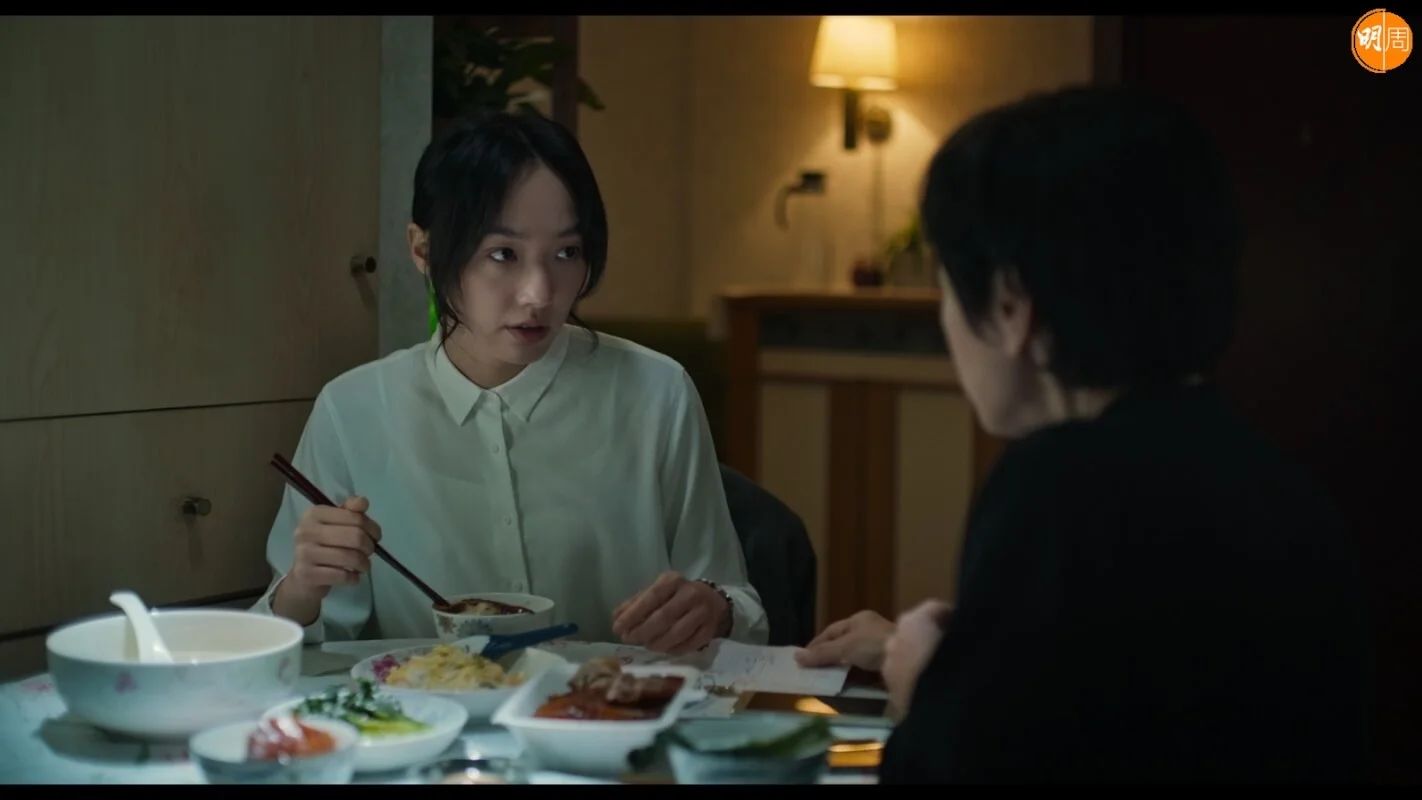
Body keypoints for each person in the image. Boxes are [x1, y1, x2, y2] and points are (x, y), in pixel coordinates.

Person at [799, 84, 1371, 782]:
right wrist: (967, 666)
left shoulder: (1057, 486)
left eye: (946, 289)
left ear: (1010, 307)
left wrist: (929, 693)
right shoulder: (1284, 487)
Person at [251, 109, 768, 652]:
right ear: (424, 250)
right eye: (503, 254)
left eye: (566, 253)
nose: (538, 293)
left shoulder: (657, 393)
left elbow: (738, 603)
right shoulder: (353, 410)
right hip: (427, 704)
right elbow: (296, 650)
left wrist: (715, 609)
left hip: (609, 702)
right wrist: (303, 587)